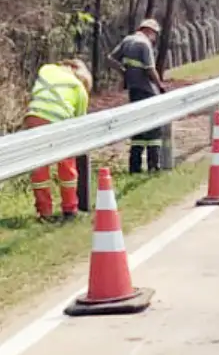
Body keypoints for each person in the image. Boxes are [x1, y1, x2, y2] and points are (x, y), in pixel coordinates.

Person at [22, 58, 93, 222]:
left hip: (34, 117)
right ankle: (70, 209)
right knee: (67, 167)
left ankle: (44, 212)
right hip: (58, 122)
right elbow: (79, 122)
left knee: (39, 168)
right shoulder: (79, 89)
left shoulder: (47, 69)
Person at [108, 18, 166, 173]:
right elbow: (150, 68)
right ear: (149, 31)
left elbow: (111, 59)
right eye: (154, 35)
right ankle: (154, 165)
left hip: (134, 90)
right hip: (148, 91)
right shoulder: (144, 44)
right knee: (154, 127)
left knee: (138, 126)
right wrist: (160, 85)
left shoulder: (127, 41)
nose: (154, 39)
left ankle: (135, 166)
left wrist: (124, 73)